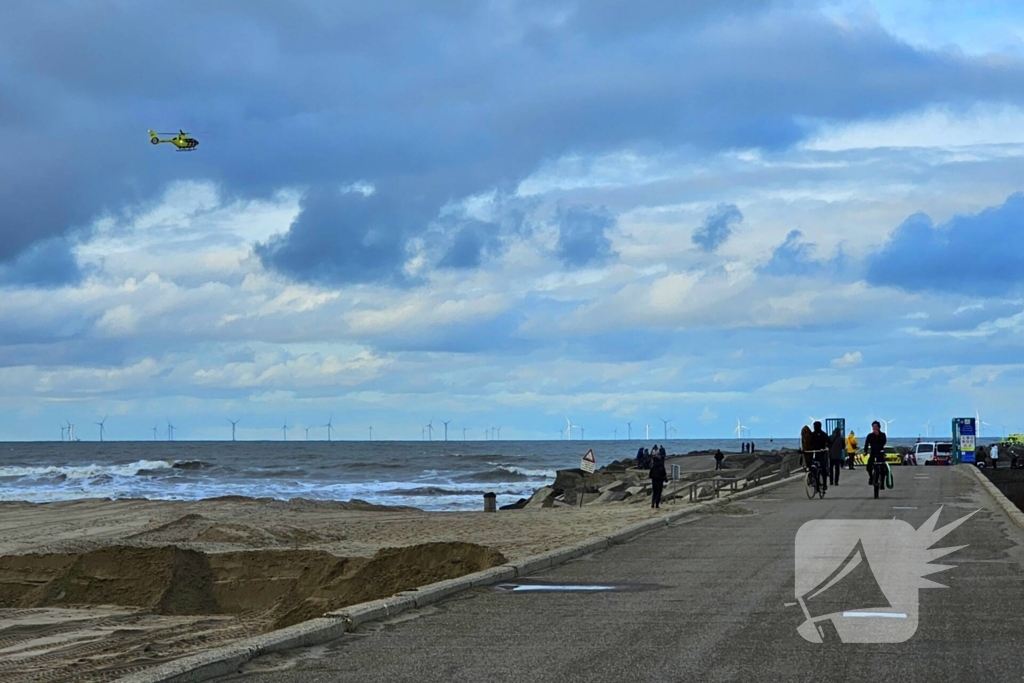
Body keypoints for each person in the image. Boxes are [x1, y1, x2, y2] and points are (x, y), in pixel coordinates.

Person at [810, 421, 831, 491]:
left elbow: (829, 442)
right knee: (812, 467)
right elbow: (809, 443)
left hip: (821, 453)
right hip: (814, 453)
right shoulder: (812, 435)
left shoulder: (823, 434)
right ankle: (814, 481)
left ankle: (824, 484)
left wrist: (827, 448)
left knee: (823, 468)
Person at [865, 421, 887, 486]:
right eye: (873, 427)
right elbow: (866, 444)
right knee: (868, 467)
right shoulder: (870, 435)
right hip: (873, 453)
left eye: (876, 426)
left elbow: (884, 442)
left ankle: (882, 482)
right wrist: (865, 451)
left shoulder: (883, 435)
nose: (874, 428)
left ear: (879, 427)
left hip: (880, 453)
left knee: (883, 468)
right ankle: (871, 478)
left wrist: (878, 435)